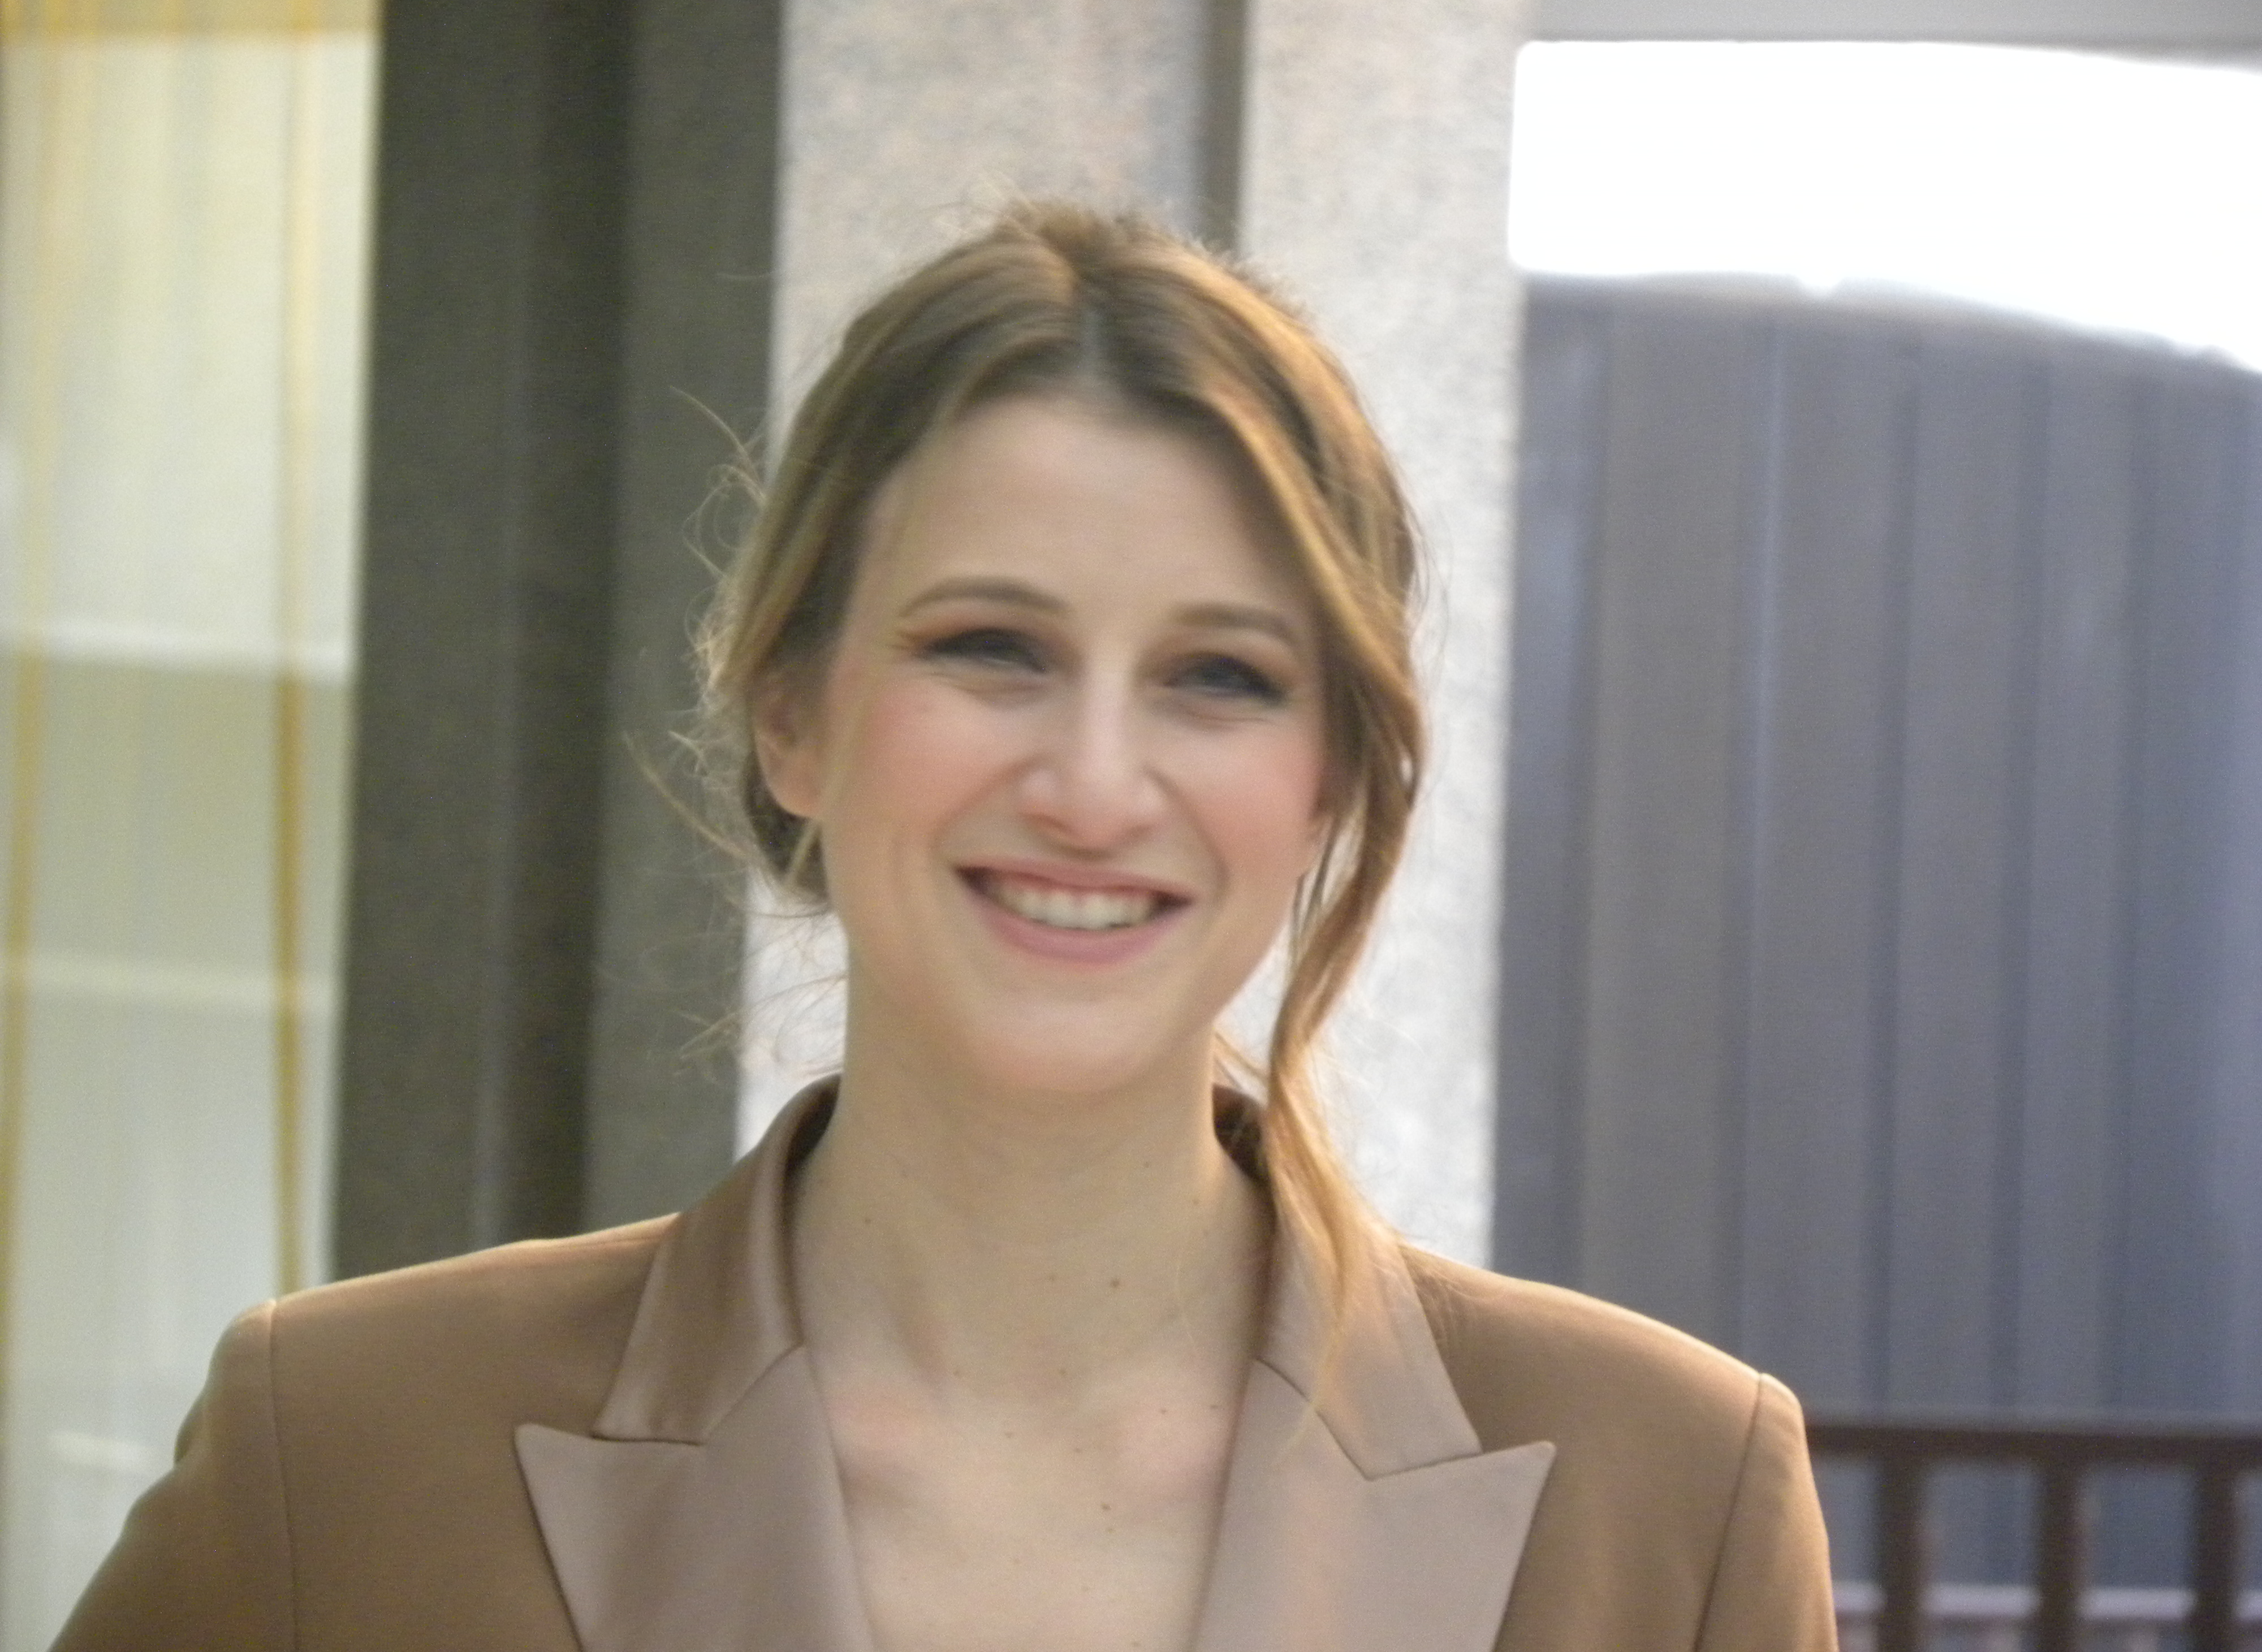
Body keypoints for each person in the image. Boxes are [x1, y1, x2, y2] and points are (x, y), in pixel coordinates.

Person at [55, 204, 1838, 1651]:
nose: (1093, 785)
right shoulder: (343, 1449)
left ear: (1330, 782)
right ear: (790, 711)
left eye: (1220, 676)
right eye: (992, 647)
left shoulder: (1668, 1504)